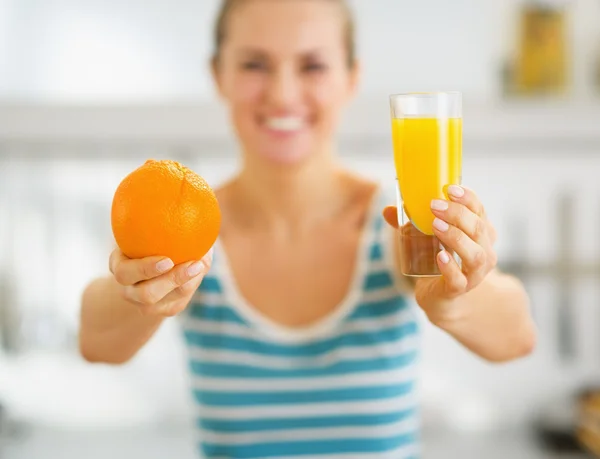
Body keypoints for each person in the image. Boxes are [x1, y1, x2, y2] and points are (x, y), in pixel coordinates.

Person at [79, 0, 536, 457]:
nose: (282, 94)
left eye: (313, 65)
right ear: (218, 74)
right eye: (255, 64)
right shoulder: (186, 236)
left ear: (352, 78)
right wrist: (141, 296)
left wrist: (454, 303)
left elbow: (516, 337)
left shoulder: (396, 230)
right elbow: (96, 342)